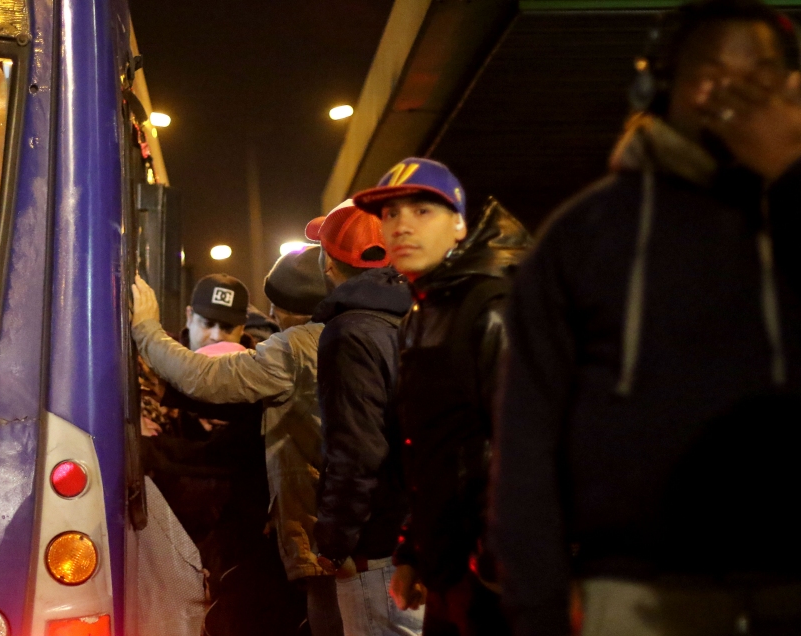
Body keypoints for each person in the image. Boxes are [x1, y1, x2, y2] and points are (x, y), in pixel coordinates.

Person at [491, 2, 801, 634]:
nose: (739, 91)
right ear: (660, 86)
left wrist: (787, 179)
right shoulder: (586, 235)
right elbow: (527, 436)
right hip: (636, 589)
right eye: (713, 71)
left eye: (763, 74)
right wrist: (538, 605)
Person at [354, 157, 531, 635]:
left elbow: (526, 447)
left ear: (460, 226)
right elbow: (432, 448)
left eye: (422, 211)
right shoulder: (423, 313)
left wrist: (492, 562)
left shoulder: (494, 308)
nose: (401, 225)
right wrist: (414, 550)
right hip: (453, 568)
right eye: (390, 214)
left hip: (498, 577)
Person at [133, 258, 327, 635]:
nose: (215, 336)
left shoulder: (277, 361)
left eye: (227, 326)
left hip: (253, 551)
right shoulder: (154, 377)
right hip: (187, 547)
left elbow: (206, 384)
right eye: (207, 323)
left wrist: (144, 328)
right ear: (189, 317)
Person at [308, 200, 420, 636]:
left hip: (378, 549)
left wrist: (335, 545)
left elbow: (356, 449)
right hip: (416, 539)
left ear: (329, 264)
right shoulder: (414, 317)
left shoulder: (349, 333)